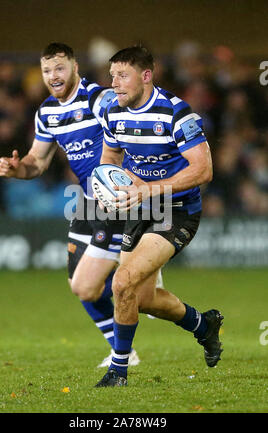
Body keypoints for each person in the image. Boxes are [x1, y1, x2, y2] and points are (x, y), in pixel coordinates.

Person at [0, 42, 162, 368]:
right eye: (46, 71)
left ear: (74, 68)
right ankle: (128, 341)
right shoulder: (46, 113)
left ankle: (128, 343)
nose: (53, 76)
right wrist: (19, 170)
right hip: (88, 201)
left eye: (60, 68)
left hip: (118, 201)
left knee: (103, 288)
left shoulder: (99, 99)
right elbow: (37, 161)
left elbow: (133, 128)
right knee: (82, 288)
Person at [95, 46, 224, 387]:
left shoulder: (175, 113)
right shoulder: (113, 110)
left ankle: (117, 372)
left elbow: (204, 169)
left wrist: (149, 189)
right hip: (140, 208)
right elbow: (110, 154)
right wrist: (108, 183)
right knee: (143, 298)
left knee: (121, 283)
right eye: (112, 76)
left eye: (122, 76)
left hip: (176, 211)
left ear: (146, 76)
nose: (114, 83)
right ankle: (203, 325)